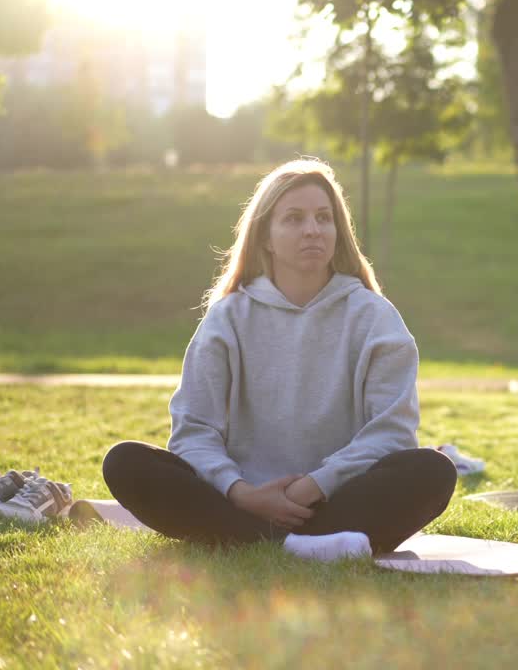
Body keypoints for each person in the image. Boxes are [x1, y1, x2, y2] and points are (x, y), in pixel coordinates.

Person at [103, 159, 456, 560]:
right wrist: (243, 493)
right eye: (293, 218)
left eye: (324, 217)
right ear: (265, 236)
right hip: (240, 500)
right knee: (125, 462)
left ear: (338, 232)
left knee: (432, 471)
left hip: (336, 498)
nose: (312, 229)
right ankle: (300, 546)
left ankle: (263, 541)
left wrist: (311, 487)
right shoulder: (229, 317)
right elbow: (194, 430)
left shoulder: (374, 316)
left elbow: (391, 433)